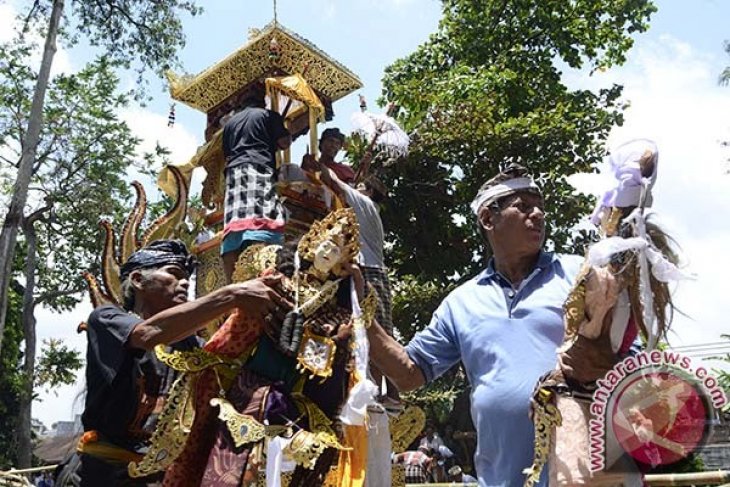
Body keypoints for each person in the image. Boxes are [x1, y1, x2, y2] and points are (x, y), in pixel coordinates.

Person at [366, 164, 584, 486]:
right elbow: (408, 373)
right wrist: (357, 314)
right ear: (488, 219)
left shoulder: (578, 274)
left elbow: (624, 354)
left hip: (581, 477)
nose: (537, 214)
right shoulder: (462, 303)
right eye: (522, 206)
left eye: (540, 206)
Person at [76, 239, 289, 486]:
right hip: (105, 476)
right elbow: (148, 334)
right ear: (137, 280)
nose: (186, 282)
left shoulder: (192, 347)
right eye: (174, 274)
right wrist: (234, 294)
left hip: (168, 477)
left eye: (188, 277)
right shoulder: (107, 320)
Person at [221, 84, 292, 280]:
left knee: (236, 222)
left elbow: (227, 154)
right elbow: (284, 142)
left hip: (234, 174)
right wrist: (284, 130)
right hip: (258, 169)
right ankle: (261, 271)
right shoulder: (268, 115)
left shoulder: (230, 123)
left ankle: (232, 278)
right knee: (263, 220)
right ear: (262, 99)